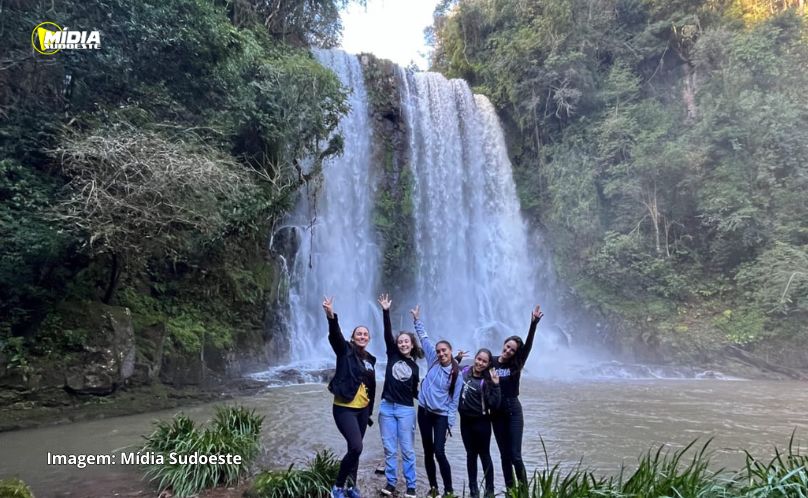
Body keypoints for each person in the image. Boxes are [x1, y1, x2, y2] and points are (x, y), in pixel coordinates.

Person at [323, 296, 377, 498]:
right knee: (356, 446)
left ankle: (352, 487)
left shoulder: (371, 360)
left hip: (363, 411)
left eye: (365, 334)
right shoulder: (345, 351)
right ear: (353, 338)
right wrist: (330, 316)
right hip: (344, 407)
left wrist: (370, 411)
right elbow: (335, 337)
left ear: (369, 339)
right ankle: (338, 487)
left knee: (355, 450)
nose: (362, 336)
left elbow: (371, 387)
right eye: (359, 334)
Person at [490, 304, 543, 490]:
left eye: (512, 350)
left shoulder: (516, 364)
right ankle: (511, 491)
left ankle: (524, 491)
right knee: (504, 456)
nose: (508, 351)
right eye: (507, 347)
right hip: (495, 413)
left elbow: (527, 347)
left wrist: (533, 324)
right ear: (503, 344)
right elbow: (474, 369)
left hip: (513, 411)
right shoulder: (492, 361)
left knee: (515, 455)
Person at [412, 305, 462, 498]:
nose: (441, 354)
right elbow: (424, 338)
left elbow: (454, 402)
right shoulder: (432, 358)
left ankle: (449, 490)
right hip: (424, 412)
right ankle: (433, 487)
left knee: (439, 452)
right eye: (439, 351)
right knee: (427, 451)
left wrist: (450, 423)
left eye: (444, 351)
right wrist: (417, 320)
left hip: (441, 416)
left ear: (451, 351)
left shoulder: (457, 374)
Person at [377, 293, 422, 498]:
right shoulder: (392, 354)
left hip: (405, 410)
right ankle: (391, 482)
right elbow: (387, 334)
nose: (403, 344)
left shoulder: (414, 367)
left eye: (406, 342)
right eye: (401, 341)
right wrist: (386, 311)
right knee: (389, 448)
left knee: (407, 449)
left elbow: (415, 392)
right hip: (387, 407)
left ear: (412, 345)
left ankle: (411, 485)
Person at [458, 349, 501, 498]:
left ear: (488, 364)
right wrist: (457, 358)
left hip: (481, 422)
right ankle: (473, 490)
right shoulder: (464, 371)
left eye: (484, 361)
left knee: (484, 455)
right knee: (470, 455)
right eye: (478, 359)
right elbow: (450, 369)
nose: (480, 363)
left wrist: (496, 386)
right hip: (465, 421)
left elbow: (494, 404)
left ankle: (489, 491)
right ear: (474, 358)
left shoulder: (487, 380)